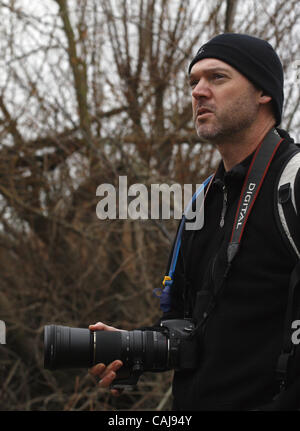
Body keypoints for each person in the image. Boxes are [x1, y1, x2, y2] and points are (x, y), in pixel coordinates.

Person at [89, 33, 300, 410]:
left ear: (263, 92)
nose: (198, 92)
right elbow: (186, 325)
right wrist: (133, 347)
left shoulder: (293, 180)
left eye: (217, 78)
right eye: (193, 82)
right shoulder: (202, 201)